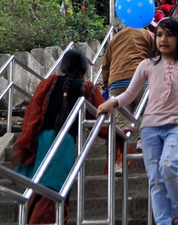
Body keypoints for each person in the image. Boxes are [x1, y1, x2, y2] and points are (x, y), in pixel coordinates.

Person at [97, 18, 178, 225]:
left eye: (170, 35)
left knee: (169, 164)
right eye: (160, 34)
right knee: (155, 179)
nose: (163, 39)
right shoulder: (147, 65)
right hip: (149, 128)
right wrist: (112, 103)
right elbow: (129, 94)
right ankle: (163, 222)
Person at [13, 49, 110, 224]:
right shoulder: (86, 88)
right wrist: (120, 132)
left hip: (42, 140)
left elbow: (32, 114)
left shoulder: (48, 83)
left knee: (40, 188)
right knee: (53, 189)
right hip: (64, 143)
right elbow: (102, 120)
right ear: (84, 68)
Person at [101, 27, 153, 170]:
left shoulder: (115, 38)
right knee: (146, 111)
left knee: (120, 124)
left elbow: (105, 64)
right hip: (141, 80)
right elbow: (155, 57)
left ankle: (118, 163)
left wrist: (106, 84)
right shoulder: (147, 34)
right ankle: (143, 141)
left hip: (116, 81)